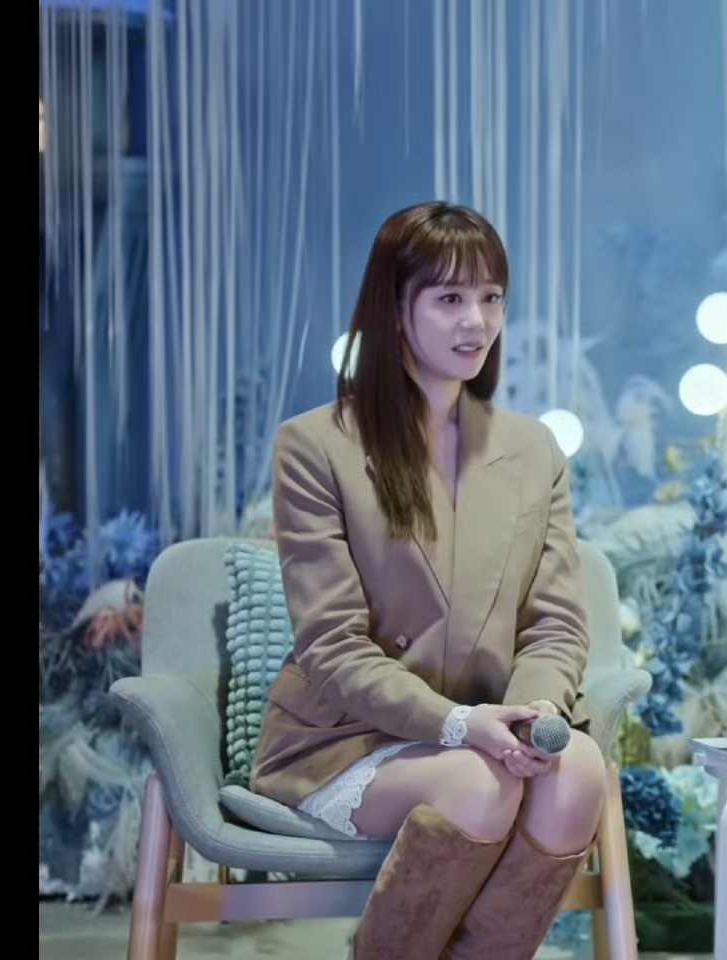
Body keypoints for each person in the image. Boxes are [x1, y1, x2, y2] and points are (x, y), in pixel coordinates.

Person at [249, 202, 608, 960]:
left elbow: (555, 623)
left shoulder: (533, 449)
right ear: (395, 308)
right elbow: (332, 645)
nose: (476, 321)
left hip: (492, 731)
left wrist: (534, 714)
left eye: (491, 297)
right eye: (449, 298)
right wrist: (456, 724)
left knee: (577, 771)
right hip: (347, 741)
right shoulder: (315, 446)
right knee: (477, 785)